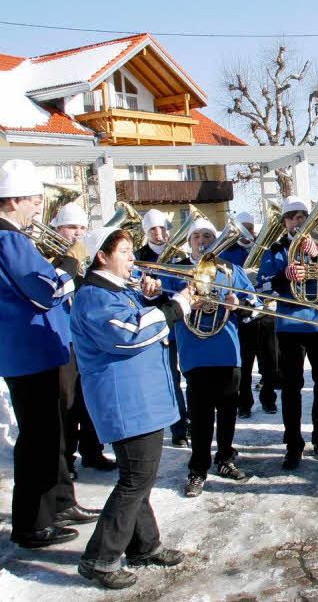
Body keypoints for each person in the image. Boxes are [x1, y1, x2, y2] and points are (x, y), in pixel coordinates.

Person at [72, 226, 197, 588]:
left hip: (140, 399)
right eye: (125, 251)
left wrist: (157, 300)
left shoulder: (117, 291)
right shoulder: (94, 296)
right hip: (126, 402)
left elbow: (144, 318)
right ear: (102, 256)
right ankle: (100, 557)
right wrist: (176, 307)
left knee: (138, 478)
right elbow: (128, 334)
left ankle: (144, 545)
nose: (133, 258)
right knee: (135, 481)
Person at [0, 159, 99, 550]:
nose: (38, 209)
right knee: (38, 440)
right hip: (30, 354)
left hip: (37, 350)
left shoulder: (14, 238)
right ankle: (31, 523)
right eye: (35, 201)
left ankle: (59, 502)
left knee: (53, 434)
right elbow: (47, 291)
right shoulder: (9, 240)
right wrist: (72, 263)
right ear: (14, 201)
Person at [170, 219, 257, 498]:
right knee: (201, 414)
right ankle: (198, 469)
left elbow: (254, 306)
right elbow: (164, 303)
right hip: (194, 351)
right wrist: (183, 296)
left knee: (229, 411)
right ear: (190, 241)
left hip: (227, 350)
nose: (202, 240)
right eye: (197, 236)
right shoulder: (178, 268)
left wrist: (238, 303)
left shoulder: (231, 270)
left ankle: (225, 458)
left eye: (208, 234)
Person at [256, 196, 318, 469]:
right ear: (284, 222)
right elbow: (262, 288)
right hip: (290, 325)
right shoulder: (277, 250)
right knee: (291, 387)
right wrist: (284, 276)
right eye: (292, 217)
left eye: (302, 216)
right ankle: (293, 445)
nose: (297, 221)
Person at [52, 202, 116, 477]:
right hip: (63, 339)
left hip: (89, 339)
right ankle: (66, 460)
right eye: (70, 228)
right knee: (67, 402)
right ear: (58, 229)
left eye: (80, 228)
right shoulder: (51, 258)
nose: (77, 234)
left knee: (91, 396)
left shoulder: (87, 258)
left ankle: (93, 451)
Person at [219, 210, 280, 417]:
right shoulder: (227, 252)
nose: (246, 232)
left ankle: (268, 398)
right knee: (245, 363)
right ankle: (244, 403)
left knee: (270, 362)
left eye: (250, 228)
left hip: (266, 311)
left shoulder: (265, 248)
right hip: (242, 313)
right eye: (242, 227)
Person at [136, 209, 189, 446]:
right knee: (169, 376)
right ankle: (179, 428)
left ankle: (191, 419)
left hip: (183, 322)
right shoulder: (139, 257)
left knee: (189, 373)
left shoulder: (179, 255)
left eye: (162, 229)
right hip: (158, 321)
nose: (159, 234)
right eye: (153, 230)